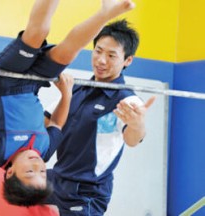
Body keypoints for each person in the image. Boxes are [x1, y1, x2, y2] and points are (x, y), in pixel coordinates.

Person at [0, 0, 136, 207]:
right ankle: (105, 13)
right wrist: (66, 95)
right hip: (34, 82)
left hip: (7, 81)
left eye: (29, 171)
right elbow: (57, 124)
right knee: (69, 51)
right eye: (43, 172)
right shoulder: (43, 153)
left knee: (38, 32)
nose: (37, 165)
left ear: (9, 173)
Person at [44, 19, 156, 215]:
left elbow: (132, 139)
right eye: (98, 51)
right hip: (56, 179)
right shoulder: (77, 89)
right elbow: (46, 121)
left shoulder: (128, 101)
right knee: (15, 181)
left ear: (127, 60)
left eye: (112, 55)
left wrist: (137, 125)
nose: (101, 61)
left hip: (86, 192)